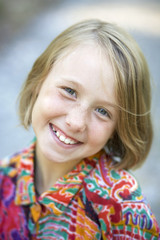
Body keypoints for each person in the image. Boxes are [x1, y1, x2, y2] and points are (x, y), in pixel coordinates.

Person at [0, 19, 159, 240]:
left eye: (103, 111)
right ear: (38, 81)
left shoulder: (121, 207)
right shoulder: (5, 177)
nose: (76, 122)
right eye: (69, 91)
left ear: (118, 128)